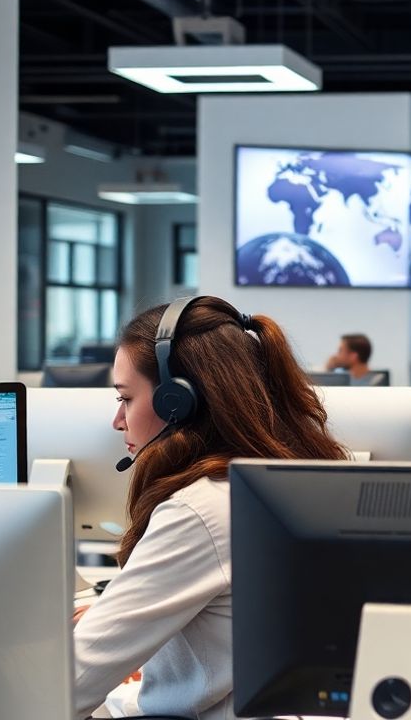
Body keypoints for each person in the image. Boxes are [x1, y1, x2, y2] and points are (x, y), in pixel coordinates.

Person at [74, 296, 347, 720]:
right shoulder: (271, 485)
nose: (118, 420)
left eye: (125, 398)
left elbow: (66, 684)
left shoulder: (198, 511)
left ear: (177, 403)